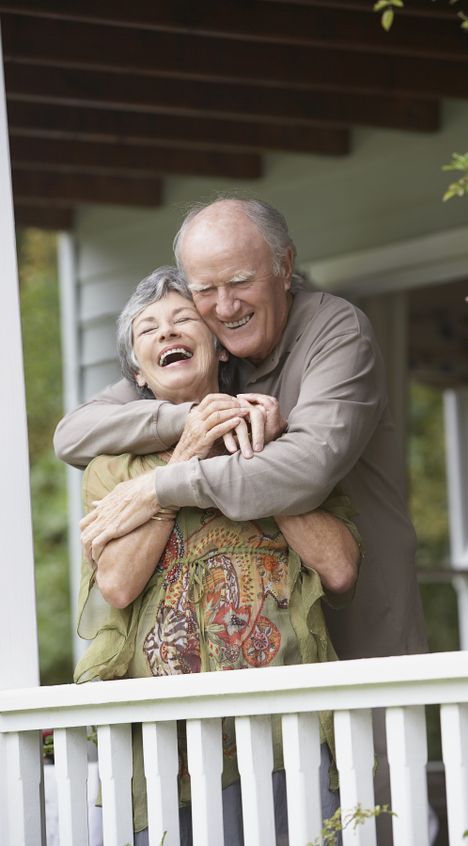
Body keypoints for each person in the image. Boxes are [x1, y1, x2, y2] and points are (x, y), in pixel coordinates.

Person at [55, 197, 426, 665]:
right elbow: (72, 434)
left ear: (284, 266)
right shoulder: (209, 361)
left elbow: (307, 470)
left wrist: (160, 488)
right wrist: (194, 417)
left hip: (364, 639)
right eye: (205, 290)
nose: (225, 306)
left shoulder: (336, 331)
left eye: (240, 282)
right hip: (245, 667)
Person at [75, 266, 361, 845]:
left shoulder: (288, 445)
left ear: (219, 350)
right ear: (138, 374)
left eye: (183, 320)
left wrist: (256, 462)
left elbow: (340, 567)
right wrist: (185, 455)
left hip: (286, 738)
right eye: (147, 330)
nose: (166, 333)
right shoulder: (113, 469)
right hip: (166, 749)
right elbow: (118, 586)